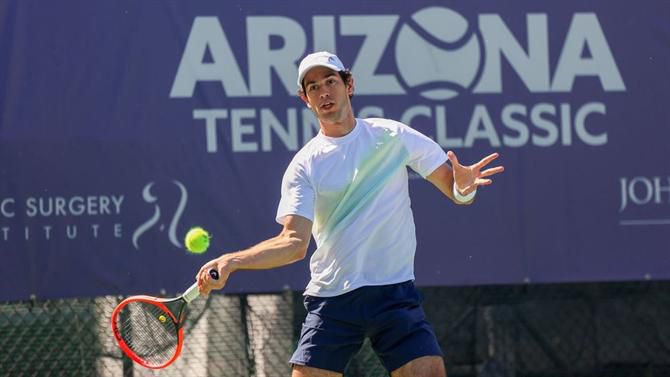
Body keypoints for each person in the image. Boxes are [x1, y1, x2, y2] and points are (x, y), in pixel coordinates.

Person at [197, 51, 504, 377]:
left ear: (349, 85)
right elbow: (293, 242)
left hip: (393, 293)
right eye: (313, 87)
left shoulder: (392, 137)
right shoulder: (304, 166)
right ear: (305, 99)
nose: (324, 92)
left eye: (330, 81)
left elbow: (456, 193)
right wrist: (233, 260)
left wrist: (464, 187)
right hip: (333, 299)